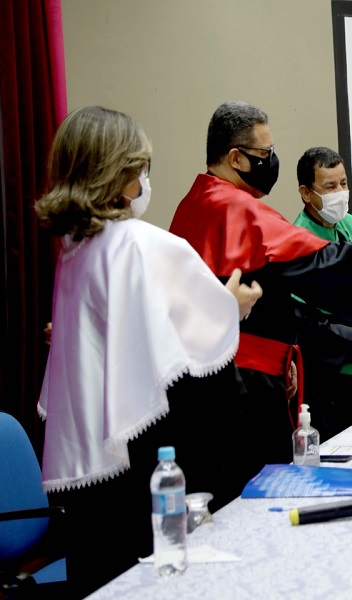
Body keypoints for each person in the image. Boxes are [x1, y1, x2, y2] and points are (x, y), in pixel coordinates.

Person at [35, 106, 262, 597]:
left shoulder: (76, 250)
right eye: (140, 169)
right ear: (119, 175)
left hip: (98, 468)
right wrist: (233, 305)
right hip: (153, 463)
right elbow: (199, 352)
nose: (145, 181)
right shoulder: (140, 243)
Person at [169, 102, 352, 472]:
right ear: (236, 158)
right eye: (265, 153)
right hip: (245, 383)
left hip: (217, 373)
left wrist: (285, 352)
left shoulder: (194, 203)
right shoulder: (235, 208)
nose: (272, 160)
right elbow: (318, 263)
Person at [292, 147, 352, 441]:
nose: (340, 193)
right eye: (330, 186)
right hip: (322, 385)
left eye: (344, 184)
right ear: (306, 192)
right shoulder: (298, 241)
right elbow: (303, 323)